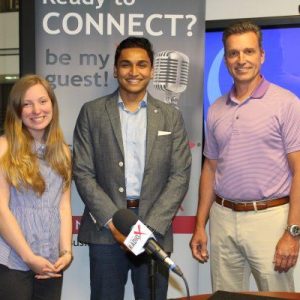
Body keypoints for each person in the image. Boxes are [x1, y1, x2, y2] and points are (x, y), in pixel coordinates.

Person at [73, 36, 191, 300]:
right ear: (116, 70)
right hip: (106, 230)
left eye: (141, 65)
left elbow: (180, 175)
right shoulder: (91, 112)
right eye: (126, 65)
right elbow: (82, 172)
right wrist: (114, 223)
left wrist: (146, 230)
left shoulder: (171, 116)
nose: (133, 72)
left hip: (154, 230)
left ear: (152, 70)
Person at [190, 21, 300, 292]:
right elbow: (210, 169)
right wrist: (199, 226)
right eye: (233, 53)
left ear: (261, 55)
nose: (241, 60)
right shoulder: (216, 108)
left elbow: (299, 170)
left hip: (270, 219)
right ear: (226, 59)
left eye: (248, 52)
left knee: (276, 297)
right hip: (223, 218)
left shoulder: (286, 103)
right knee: (225, 297)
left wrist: (293, 232)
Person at [0, 75, 73, 300]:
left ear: (52, 104)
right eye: (27, 104)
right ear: (17, 110)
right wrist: (29, 257)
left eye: (42, 101)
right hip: (13, 260)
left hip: (51, 261)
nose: (36, 110)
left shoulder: (63, 151)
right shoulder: (4, 147)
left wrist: (66, 252)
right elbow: (1, 210)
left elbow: (63, 207)